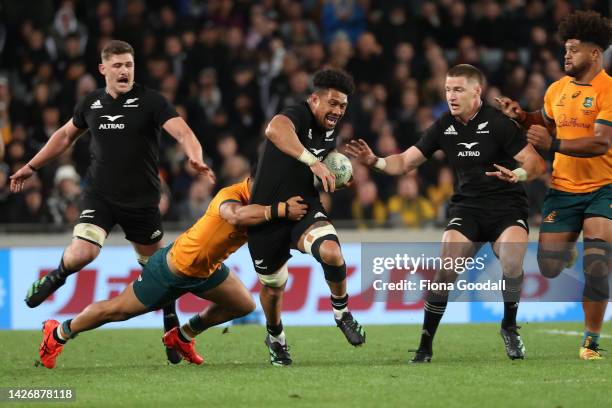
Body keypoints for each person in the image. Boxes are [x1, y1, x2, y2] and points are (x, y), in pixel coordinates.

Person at [9, 40, 215, 364]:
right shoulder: (91, 103)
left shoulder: (151, 102)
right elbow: (64, 136)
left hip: (143, 201)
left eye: (129, 65)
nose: (124, 71)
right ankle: (56, 277)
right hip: (101, 196)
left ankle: (169, 323)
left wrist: (195, 158)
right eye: (117, 65)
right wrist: (31, 167)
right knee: (82, 253)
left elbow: (184, 133)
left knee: (158, 271)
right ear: (103, 69)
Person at [346, 64, 546, 363]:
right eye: (447, 90)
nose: (451, 96)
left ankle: (509, 326)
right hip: (467, 208)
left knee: (513, 258)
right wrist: (374, 161)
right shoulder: (443, 126)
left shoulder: (499, 123)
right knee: (445, 270)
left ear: (476, 91)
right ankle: (425, 345)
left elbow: (535, 164)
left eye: (458, 89)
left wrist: (516, 175)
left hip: (507, 208)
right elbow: (405, 162)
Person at [37, 178, 308, 369]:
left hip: (207, 270)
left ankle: (182, 335)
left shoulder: (262, 208)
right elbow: (236, 217)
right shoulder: (231, 194)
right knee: (115, 311)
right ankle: (58, 332)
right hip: (172, 268)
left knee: (244, 304)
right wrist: (281, 209)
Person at [496, 11, 611, 360]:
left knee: (598, 262)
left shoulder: (608, 89)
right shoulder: (556, 90)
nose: (566, 56)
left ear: (594, 54)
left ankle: (591, 339)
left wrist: (553, 144)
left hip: (604, 186)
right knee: (548, 265)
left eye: (573, 50)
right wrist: (521, 116)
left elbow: (601, 142)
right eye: (565, 50)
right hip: (563, 188)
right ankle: (565, 249)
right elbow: (543, 122)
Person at [248, 68, 366, 366]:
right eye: (333, 103)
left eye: (343, 106)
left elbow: (314, 165)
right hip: (266, 215)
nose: (338, 111)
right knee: (273, 289)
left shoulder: (329, 130)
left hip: (303, 208)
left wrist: (335, 176)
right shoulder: (297, 114)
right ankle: (276, 338)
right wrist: (314, 162)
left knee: (331, 252)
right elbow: (275, 130)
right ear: (314, 99)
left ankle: (342, 313)